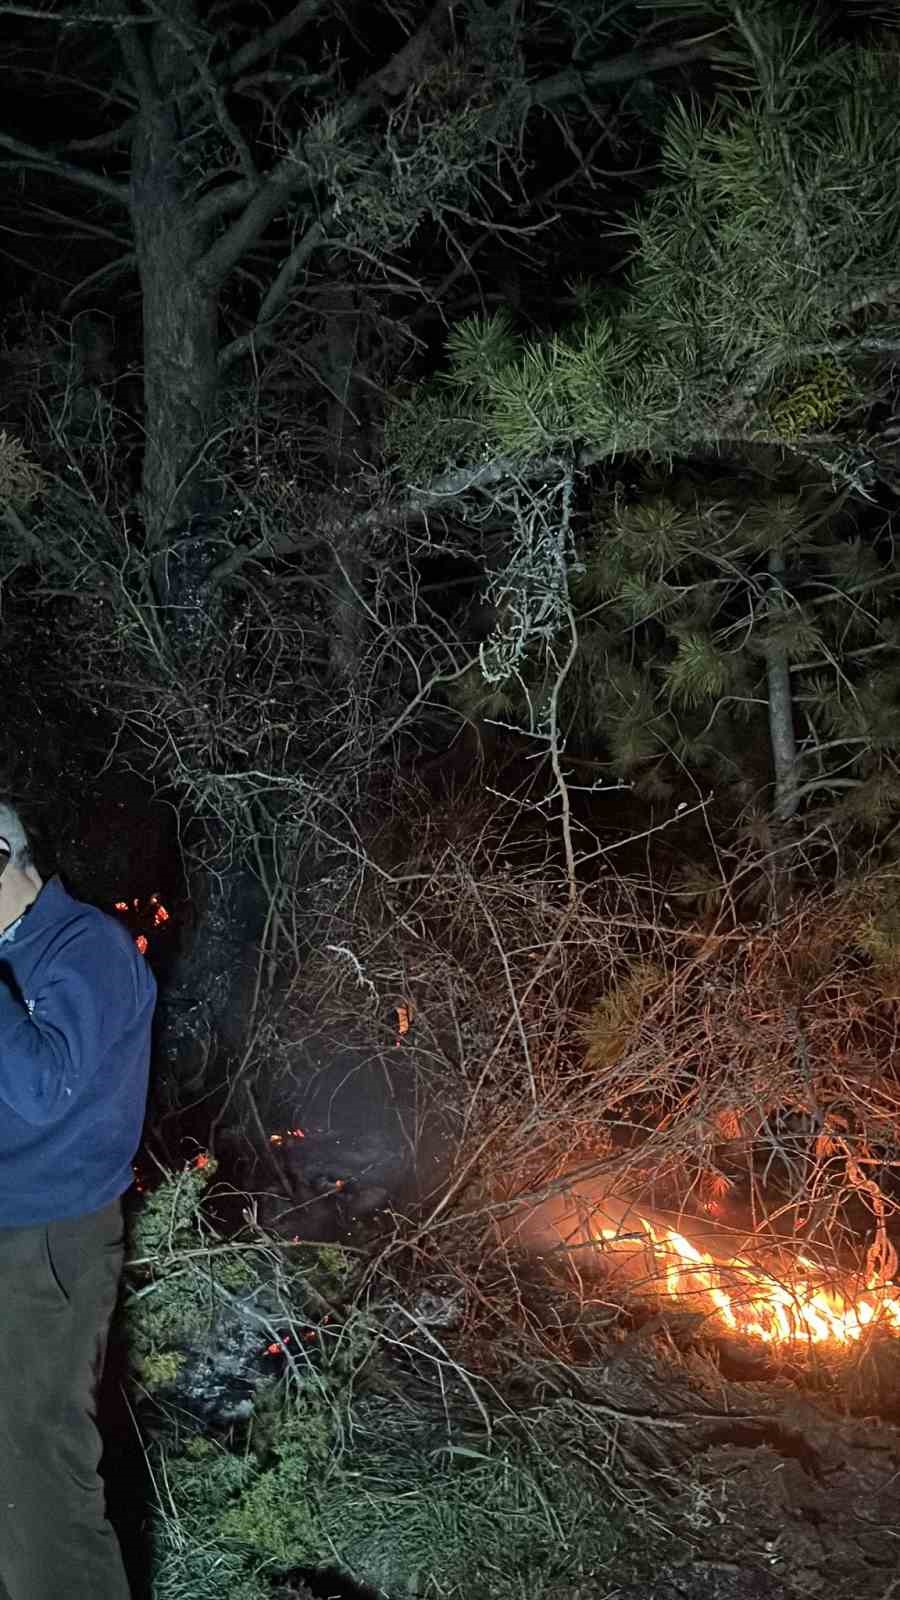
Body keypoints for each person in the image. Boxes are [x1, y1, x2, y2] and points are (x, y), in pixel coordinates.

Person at [0, 800, 156, 1600]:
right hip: (14, 1226)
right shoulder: (14, 952)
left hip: (49, 1243)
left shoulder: (85, 945)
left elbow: (42, 1086)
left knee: (38, 1465)